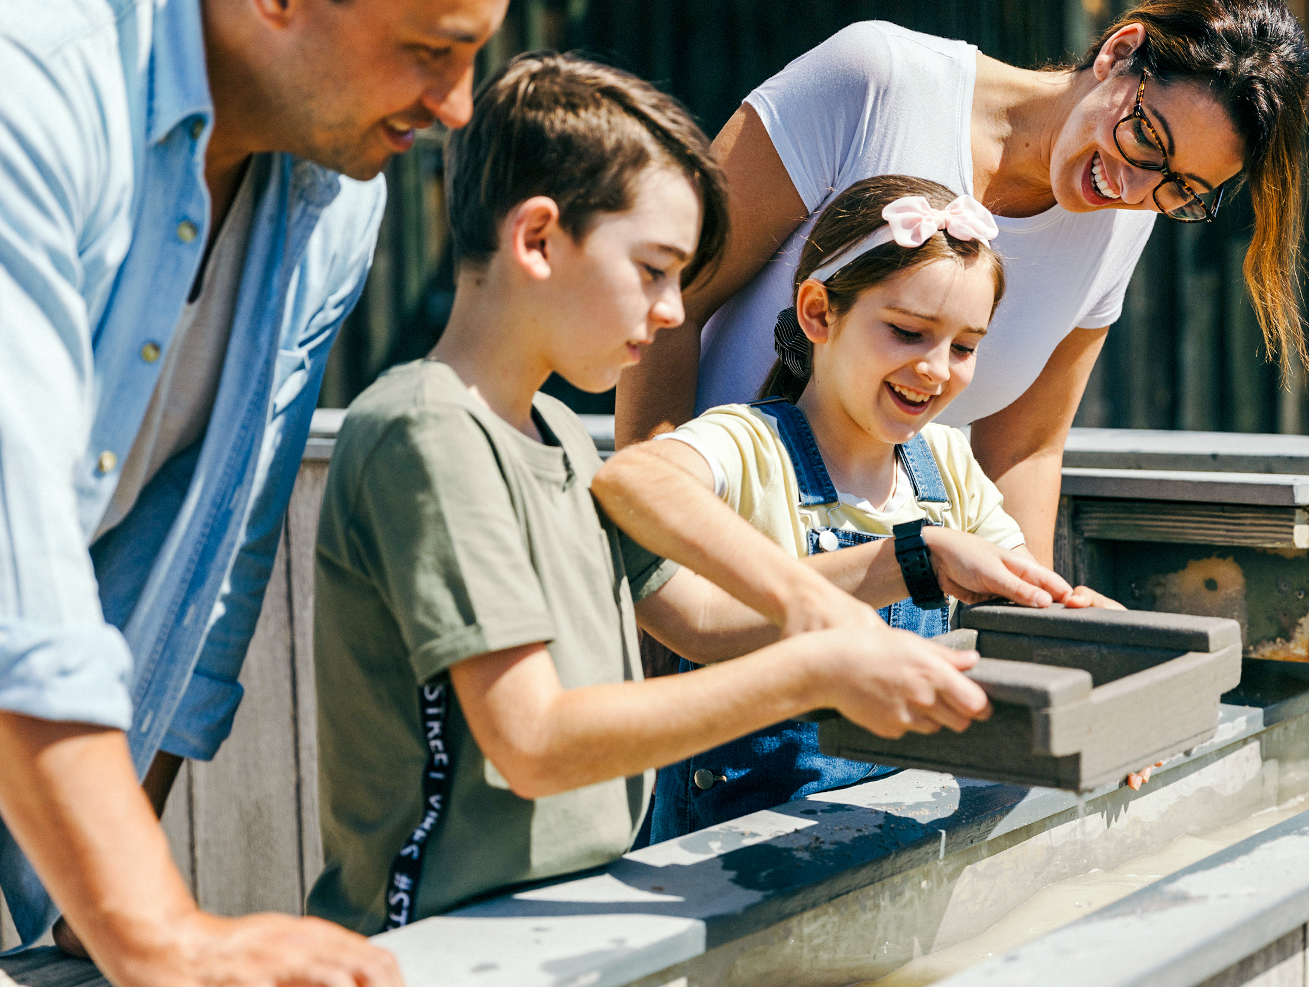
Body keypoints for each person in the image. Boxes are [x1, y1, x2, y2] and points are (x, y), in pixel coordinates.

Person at [306, 53, 1065, 933]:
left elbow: (700, 622)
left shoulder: (551, 431)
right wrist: (814, 666)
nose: (675, 313)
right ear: (539, 239)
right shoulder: (429, 433)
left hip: (572, 921)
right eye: (655, 269)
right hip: (440, 943)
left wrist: (909, 562)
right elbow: (535, 744)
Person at [0, 0, 504, 987]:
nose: (458, 107)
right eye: (431, 52)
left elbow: (211, 551)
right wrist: (154, 927)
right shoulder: (33, 86)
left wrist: (97, 904)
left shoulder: (340, 196)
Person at [615, 0, 1309, 568]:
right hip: (711, 555)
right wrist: (657, 566)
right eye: (1145, 139)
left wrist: (1035, 636)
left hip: (886, 592)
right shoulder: (876, 81)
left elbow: (1024, 449)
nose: (1132, 187)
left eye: (1182, 189)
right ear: (1119, 53)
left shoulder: (1127, 221)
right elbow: (669, 299)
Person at [595, 174, 1122, 841]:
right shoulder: (747, 446)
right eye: (908, 332)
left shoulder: (949, 464)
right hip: (728, 859)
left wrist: (1100, 660)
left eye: (964, 347)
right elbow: (633, 480)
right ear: (819, 313)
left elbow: (1025, 606)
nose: (936, 369)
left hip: (891, 837)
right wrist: (907, 559)